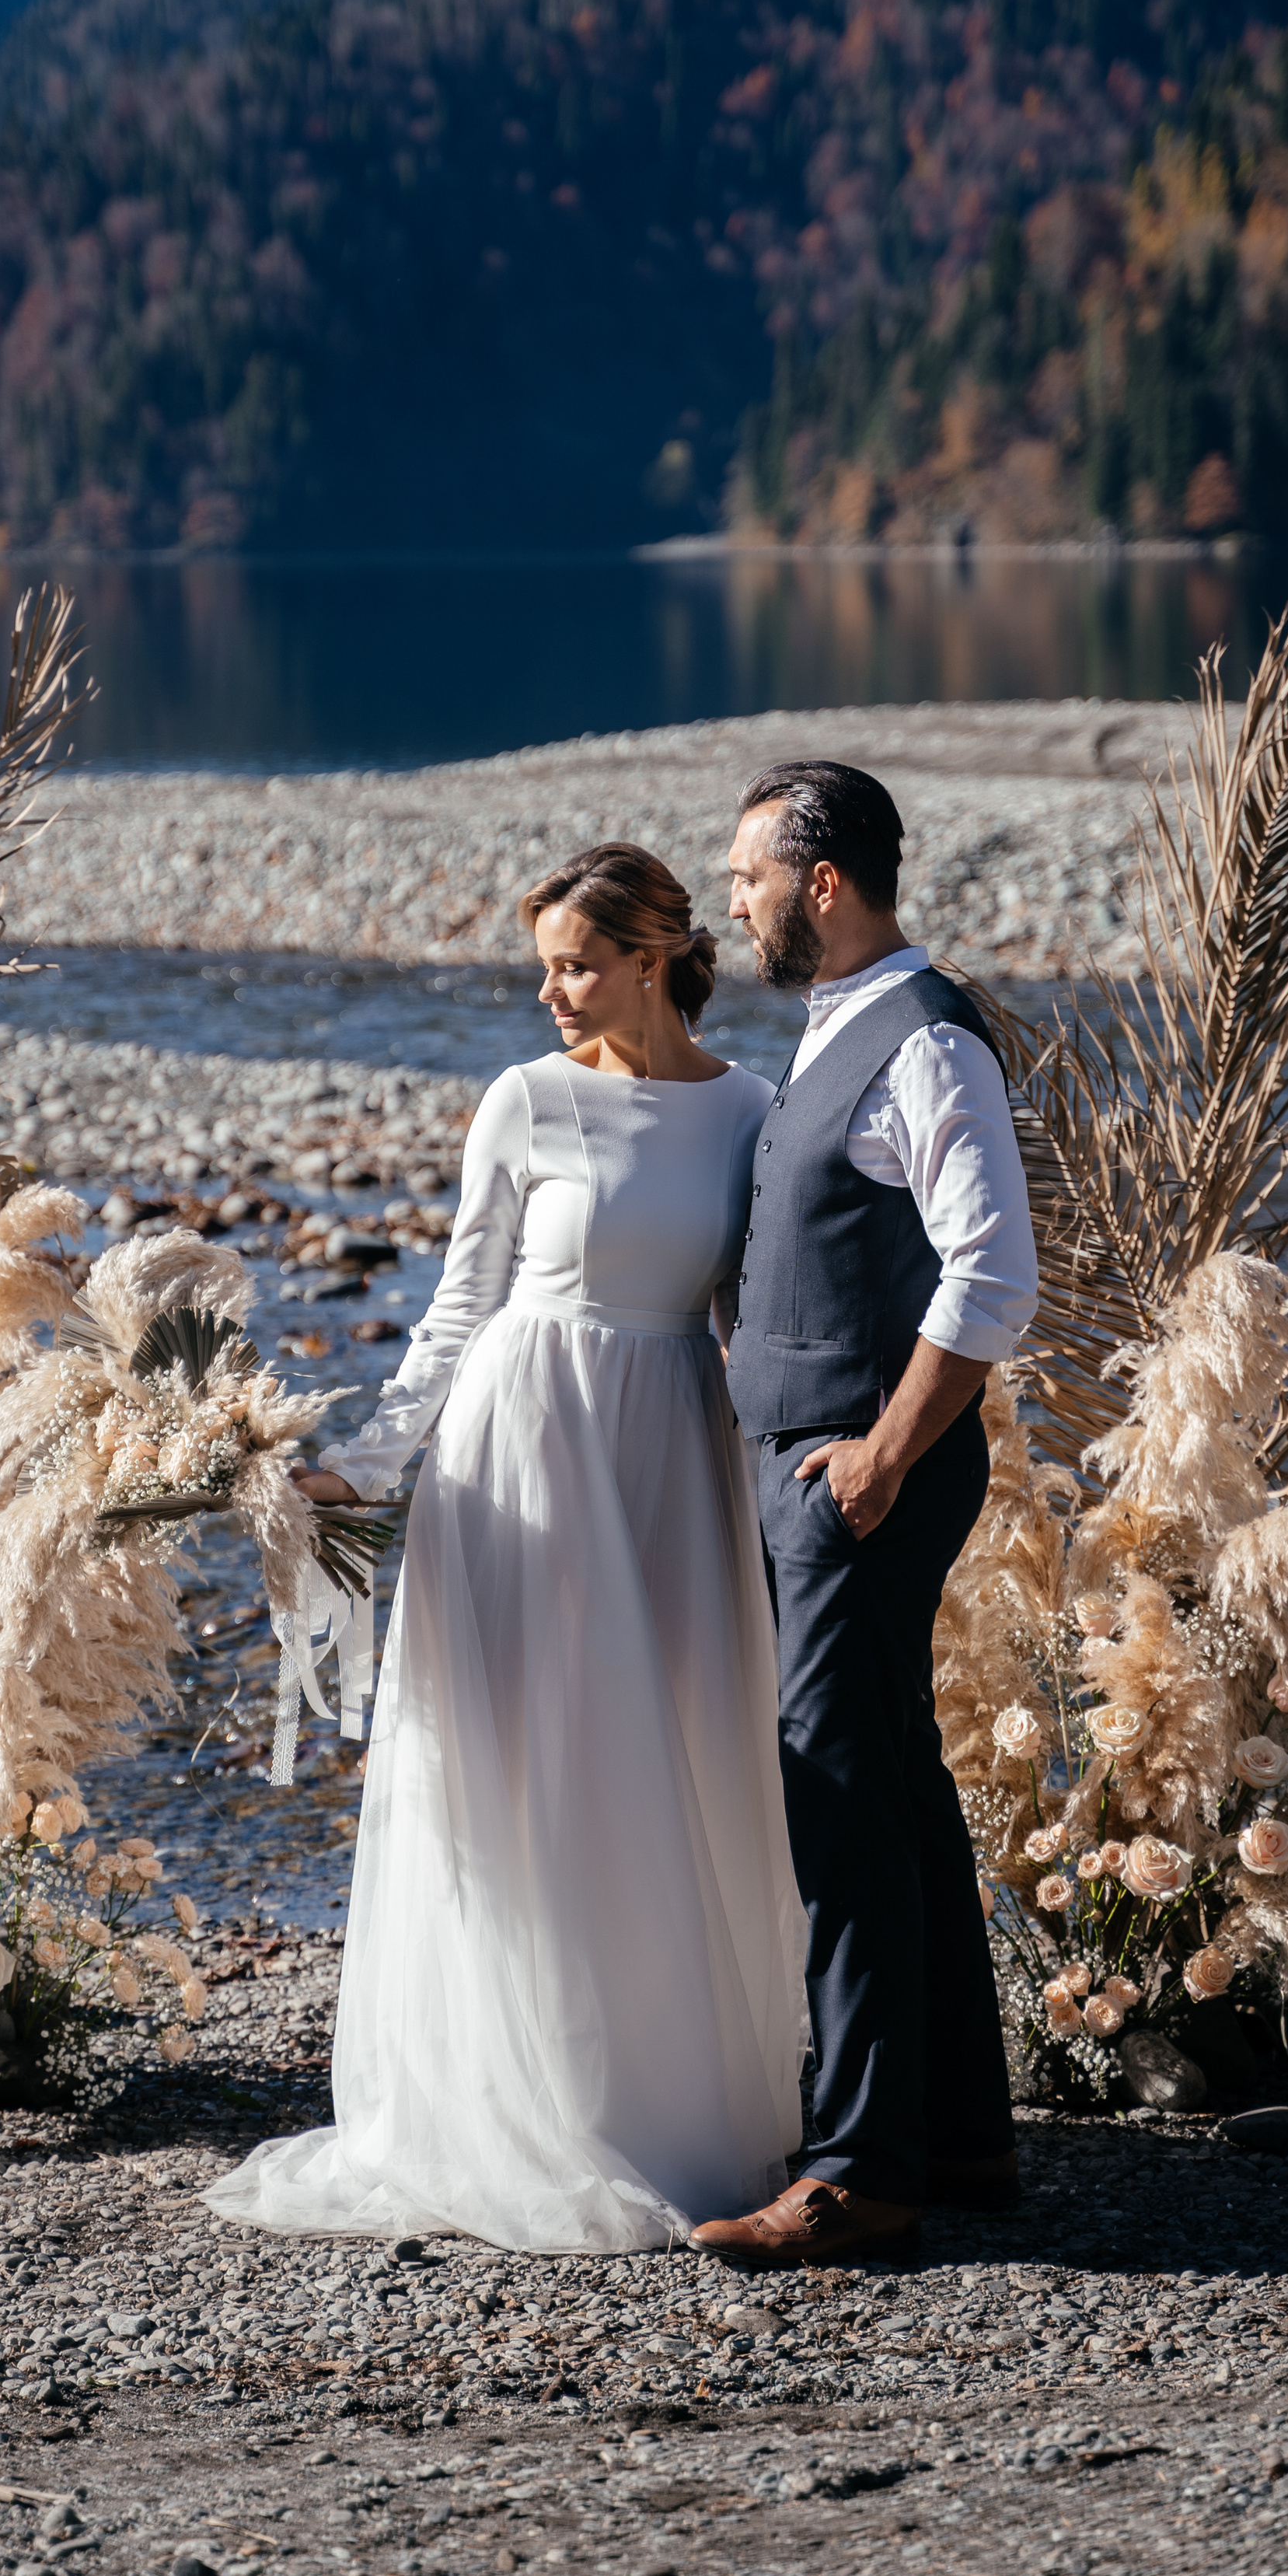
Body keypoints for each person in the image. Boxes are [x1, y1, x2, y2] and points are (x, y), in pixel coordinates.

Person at [204, 843, 805, 2252]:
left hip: (675, 1453)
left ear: (656, 957)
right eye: (542, 966)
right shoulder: (523, 1102)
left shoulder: (754, 1113)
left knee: (671, 1756)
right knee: (525, 1766)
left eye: (575, 964)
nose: (550, 992)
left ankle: (668, 2100)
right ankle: (516, 2096)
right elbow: (458, 1304)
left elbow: (748, 1321)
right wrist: (364, 1465)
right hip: (521, 1448)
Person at [690, 760, 1038, 2269]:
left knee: (832, 1802)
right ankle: (955, 2131)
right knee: (894, 1782)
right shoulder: (839, 1027)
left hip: (858, 1473)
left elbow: (990, 1273)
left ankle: (855, 2169)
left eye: (746, 873)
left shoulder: (923, 1036)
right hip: (826, 1467)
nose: (731, 898)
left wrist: (884, 1453)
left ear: (820, 883)